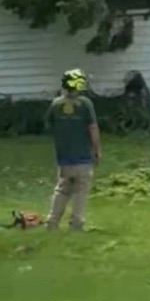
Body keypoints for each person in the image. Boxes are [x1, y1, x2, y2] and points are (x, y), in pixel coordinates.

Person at [44, 69, 100, 231]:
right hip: (82, 157)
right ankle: (76, 223)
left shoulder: (56, 104)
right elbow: (93, 128)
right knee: (80, 191)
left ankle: (52, 221)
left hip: (64, 157)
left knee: (62, 189)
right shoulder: (85, 104)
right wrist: (96, 150)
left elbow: (49, 125)